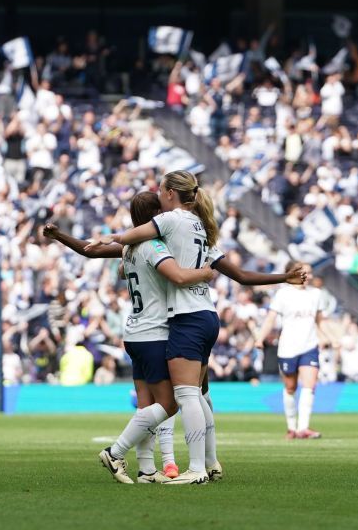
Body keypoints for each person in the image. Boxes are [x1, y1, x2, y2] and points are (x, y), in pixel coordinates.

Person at [88, 170, 307, 484]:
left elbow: (130, 239)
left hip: (185, 318)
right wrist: (282, 278)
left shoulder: (169, 223)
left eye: (161, 190)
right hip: (208, 316)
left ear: (169, 194)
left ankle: (190, 468)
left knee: (184, 396)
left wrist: (115, 238)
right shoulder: (201, 230)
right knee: (201, 394)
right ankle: (210, 461)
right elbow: (242, 276)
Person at [42, 191, 214, 484]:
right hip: (155, 333)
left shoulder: (128, 249)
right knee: (170, 404)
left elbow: (89, 250)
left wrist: (59, 235)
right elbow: (179, 276)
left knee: (146, 406)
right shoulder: (156, 247)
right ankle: (116, 451)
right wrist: (205, 273)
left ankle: (147, 470)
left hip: (133, 332)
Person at [255, 261, 327, 439]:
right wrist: (260, 338)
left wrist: (331, 337)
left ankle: (303, 428)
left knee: (310, 386)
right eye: (304, 272)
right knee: (290, 387)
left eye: (310, 272)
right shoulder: (282, 294)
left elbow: (320, 320)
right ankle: (292, 427)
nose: (308, 276)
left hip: (310, 346)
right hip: (288, 347)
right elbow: (271, 319)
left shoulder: (316, 294)